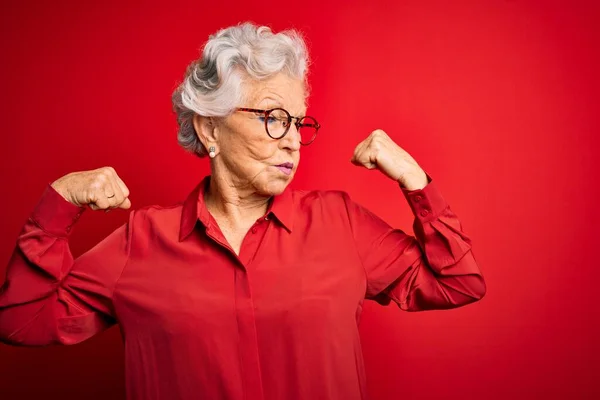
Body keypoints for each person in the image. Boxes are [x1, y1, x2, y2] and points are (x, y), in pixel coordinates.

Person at [0, 22, 486, 400]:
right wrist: (60, 201)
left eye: (298, 121)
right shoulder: (141, 241)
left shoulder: (340, 224)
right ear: (210, 129)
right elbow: (22, 322)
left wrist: (414, 180)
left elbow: (457, 283)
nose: (294, 140)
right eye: (274, 118)